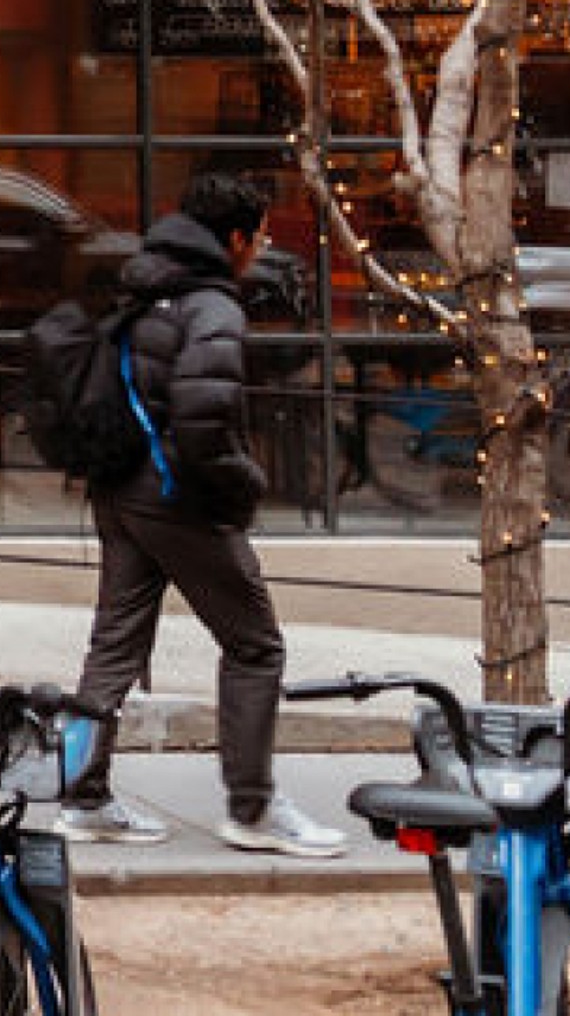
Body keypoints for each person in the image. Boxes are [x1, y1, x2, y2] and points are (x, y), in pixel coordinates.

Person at [54, 171, 349, 859]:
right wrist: (243, 484)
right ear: (238, 238)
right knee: (256, 645)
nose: (262, 247)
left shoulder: (142, 285)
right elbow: (204, 416)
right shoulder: (212, 306)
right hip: (176, 497)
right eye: (262, 234)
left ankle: (83, 795)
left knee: (115, 644)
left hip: (118, 487)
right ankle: (253, 808)